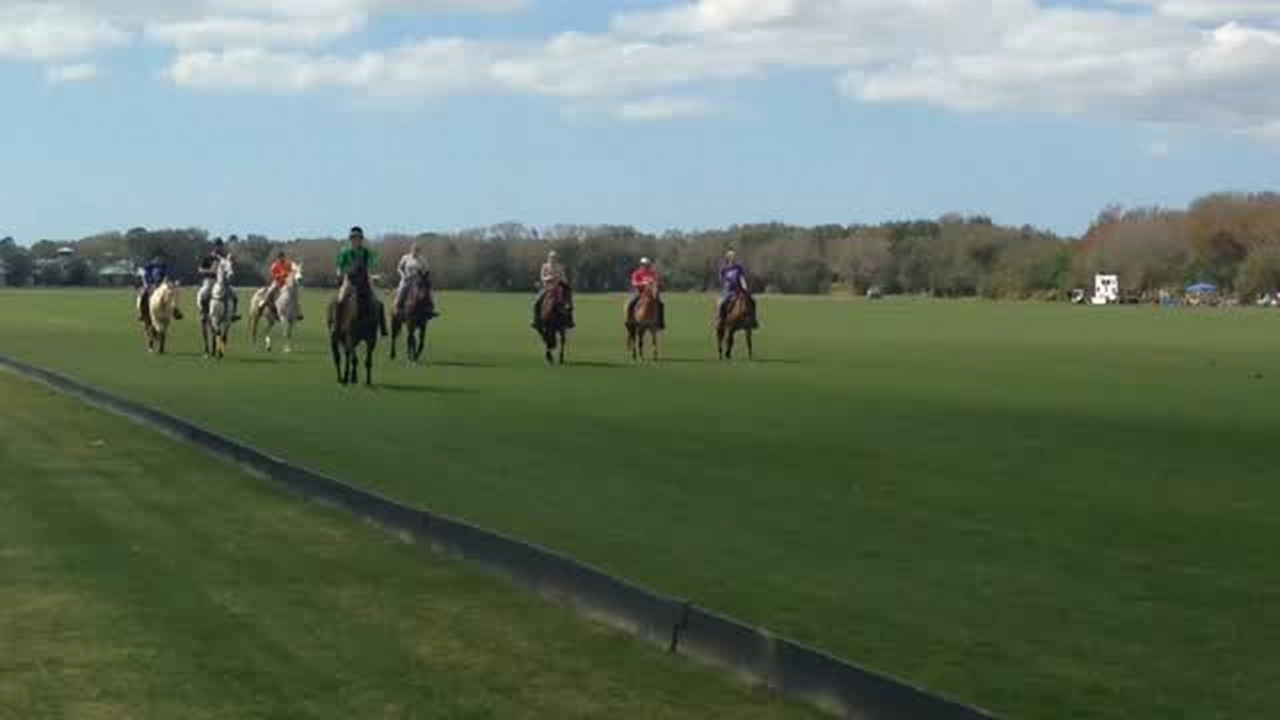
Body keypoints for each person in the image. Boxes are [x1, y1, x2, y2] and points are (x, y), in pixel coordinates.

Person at [336, 226, 378, 318]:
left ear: (361, 239)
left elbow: (372, 265)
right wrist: (339, 273)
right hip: (350, 279)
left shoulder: (366, 252)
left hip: (365, 278)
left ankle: (381, 327)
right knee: (340, 299)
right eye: (353, 238)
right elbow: (340, 265)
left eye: (358, 238)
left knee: (377, 301)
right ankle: (337, 326)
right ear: (350, 239)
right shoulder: (345, 252)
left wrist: (373, 274)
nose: (355, 240)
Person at [197, 239, 239, 321]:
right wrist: (210, 271)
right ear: (214, 246)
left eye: (221, 246)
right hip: (209, 280)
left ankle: (233, 313)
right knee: (203, 293)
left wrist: (231, 260)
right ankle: (204, 313)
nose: (219, 248)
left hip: (222, 281)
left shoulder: (223, 258)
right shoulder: (208, 258)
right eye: (218, 246)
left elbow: (228, 266)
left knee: (234, 294)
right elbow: (200, 269)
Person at [532, 250, 574, 330]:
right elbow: (542, 278)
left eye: (554, 258)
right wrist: (549, 278)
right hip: (547, 287)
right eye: (551, 257)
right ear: (549, 258)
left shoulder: (560, 267)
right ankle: (535, 320)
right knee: (536, 302)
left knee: (568, 303)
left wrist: (561, 281)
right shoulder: (544, 266)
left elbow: (564, 277)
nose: (553, 259)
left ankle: (570, 321)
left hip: (558, 287)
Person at [394, 243, 437, 318]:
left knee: (429, 290)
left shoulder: (421, 259)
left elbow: (427, 268)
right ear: (411, 250)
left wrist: (423, 275)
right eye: (414, 250)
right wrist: (403, 275)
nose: (415, 252)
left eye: (417, 250)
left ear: (419, 251)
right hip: (407, 279)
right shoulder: (405, 257)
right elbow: (399, 268)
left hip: (418, 280)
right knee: (401, 290)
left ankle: (431, 308)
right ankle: (397, 308)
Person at [717, 250, 758, 329]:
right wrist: (725, 283)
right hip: (728, 291)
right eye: (731, 257)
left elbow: (742, 278)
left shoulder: (738, 267)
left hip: (739, 290)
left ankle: (753, 320)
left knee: (753, 301)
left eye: (734, 257)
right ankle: (721, 320)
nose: (733, 258)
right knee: (721, 303)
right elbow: (721, 279)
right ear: (728, 258)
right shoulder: (724, 268)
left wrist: (745, 287)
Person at [137, 252, 181, 322]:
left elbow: (166, 276)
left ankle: (175, 311)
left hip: (161, 285)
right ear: (154, 258)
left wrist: (165, 283)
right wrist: (146, 283)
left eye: (160, 258)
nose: (159, 259)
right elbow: (143, 274)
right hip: (150, 285)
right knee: (143, 294)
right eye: (157, 258)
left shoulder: (163, 266)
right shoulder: (149, 265)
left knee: (173, 293)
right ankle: (142, 313)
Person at [626, 257, 665, 329]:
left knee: (661, 303)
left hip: (651, 293)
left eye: (647, 265)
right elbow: (634, 283)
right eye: (644, 265)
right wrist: (643, 283)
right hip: (639, 292)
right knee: (630, 303)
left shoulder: (652, 274)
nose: (646, 266)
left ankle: (660, 322)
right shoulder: (637, 273)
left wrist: (657, 284)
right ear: (641, 265)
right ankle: (630, 321)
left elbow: (656, 282)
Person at [264, 251, 302, 321]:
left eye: (283, 257)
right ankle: (263, 304)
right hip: (277, 282)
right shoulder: (274, 265)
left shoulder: (287, 264)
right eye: (280, 258)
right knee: (270, 291)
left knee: (294, 295)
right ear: (278, 258)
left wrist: (295, 270)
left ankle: (298, 313)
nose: (282, 259)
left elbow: (293, 270)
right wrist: (281, 274)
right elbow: (273, 275)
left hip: (286, 283)